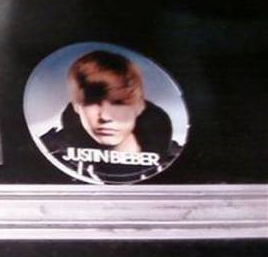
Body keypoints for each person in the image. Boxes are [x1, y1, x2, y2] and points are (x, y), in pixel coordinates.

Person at [40, 50, 181, 183]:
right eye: (92, 102)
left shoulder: (173, 157)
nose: (105, 117)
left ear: (139, 107)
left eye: (118, 103)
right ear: (77, 106)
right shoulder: (50, 151)